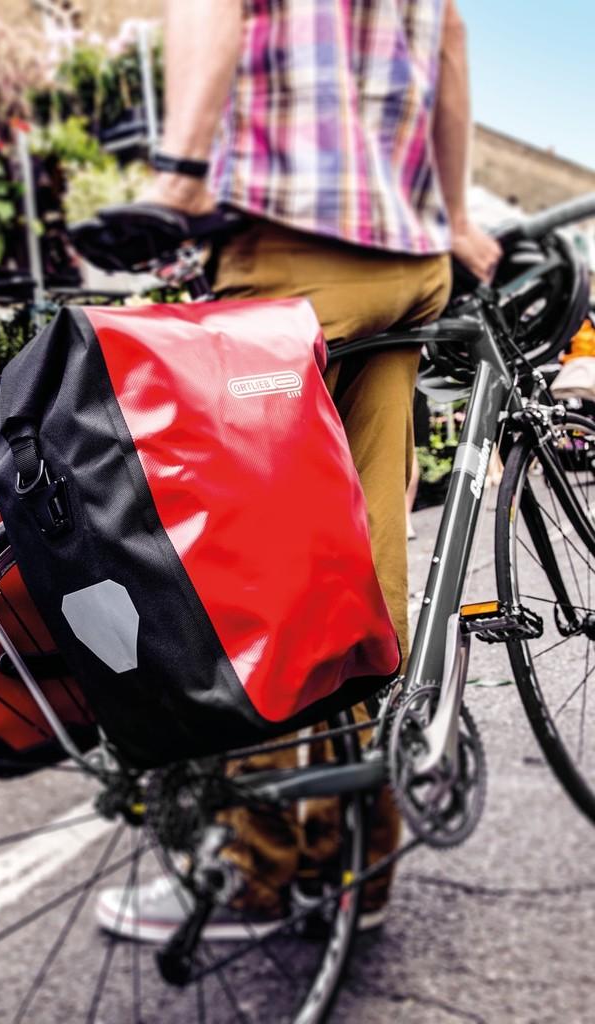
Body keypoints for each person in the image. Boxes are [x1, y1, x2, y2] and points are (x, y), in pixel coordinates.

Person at [96, 0, 501, 941]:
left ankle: (258, 871)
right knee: (359, 565)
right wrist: (460, 214)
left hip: (291, 246)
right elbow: (451, 37)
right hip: (407, 258)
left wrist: (182, 173)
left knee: (255, 582)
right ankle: (356, 860)